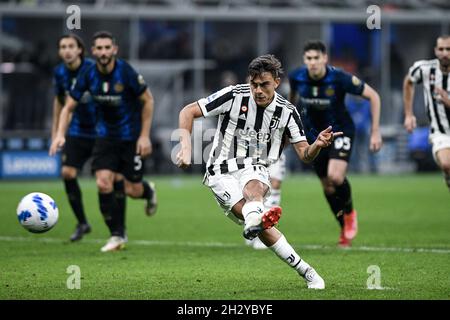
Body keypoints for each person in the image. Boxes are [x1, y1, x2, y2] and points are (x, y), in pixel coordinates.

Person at [177, 54, 342, 289]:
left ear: (276, 81)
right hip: (219, 170)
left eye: (264, 84)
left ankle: (256, 220)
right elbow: (187, 111)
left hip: (255, 166)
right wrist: (185, 147)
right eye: (254, 84)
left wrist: (316, 145)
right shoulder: (233, 95)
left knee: (255, 187)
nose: (258, 90)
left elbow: (305, 154)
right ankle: (306, 269)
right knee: (259, 224)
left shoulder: (287, 112)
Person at [50, 31, 158, 252]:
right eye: (99, 48)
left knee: (132, 189)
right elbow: (67, 106)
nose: (103, 52)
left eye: (107, 48)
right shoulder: (88, 74)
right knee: (103, 182)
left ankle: (149, 191)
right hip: (105, 137)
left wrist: (145, 135)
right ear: (93, 51)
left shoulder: (125, 71)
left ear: (114, 50)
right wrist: (60, 133)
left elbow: (148, 100)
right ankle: (116, 235)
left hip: (131, 138)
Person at [287, 40, 382, 247]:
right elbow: (291, 105)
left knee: (335, 176)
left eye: (316, 58)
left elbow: (374, 96)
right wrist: (289, 131)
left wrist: (375, 132)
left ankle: (349, 213)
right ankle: (344, 231)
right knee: (328, 187)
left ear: (324, 58)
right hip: (313, 136)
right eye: (309, 58)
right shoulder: (296, 77)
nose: (312, 63)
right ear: (305, 60)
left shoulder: (339, 78)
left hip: (340, 131)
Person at [52, 34, 126, 242]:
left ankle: (120, 228)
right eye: (62, 46)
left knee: (114, 180)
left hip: (103, 132)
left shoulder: (94, 70)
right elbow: (59, 103)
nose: (66, 50)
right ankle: (82, 222)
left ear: (80, 50)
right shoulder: (59, 73)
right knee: (67, 173)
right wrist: (56, 133)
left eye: (70, 46)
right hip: (77, 131)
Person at [404, 35, 450, 191]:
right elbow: (409, 81)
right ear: (436, 51)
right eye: (441, 49)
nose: (444, 53)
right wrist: (409, 114)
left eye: (448, 49)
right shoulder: (425, 68)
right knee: (446, 163)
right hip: (440, 131)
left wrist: (447, 101)